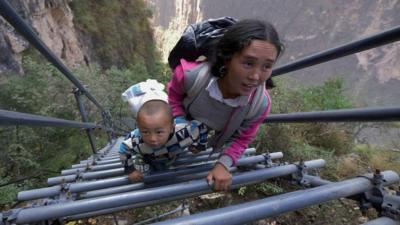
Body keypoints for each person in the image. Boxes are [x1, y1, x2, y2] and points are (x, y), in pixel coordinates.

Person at [168, 19, 284, 191]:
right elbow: (173, 96)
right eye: (248, 63)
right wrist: (179, 121)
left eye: (266, 66)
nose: (255, 77)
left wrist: (223, 164)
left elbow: (242, 138)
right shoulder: (190, 76)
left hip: (204, 139)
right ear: (227, 58)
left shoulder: (259, 104)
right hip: (176, 128)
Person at [119, 80, 208, 182]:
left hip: (174, 151)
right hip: (149, 156)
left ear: (171, 128)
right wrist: (131, 170)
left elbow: (201, 127)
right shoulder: (136, 140)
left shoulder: (183, 132)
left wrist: (200, 145)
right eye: (145, 132)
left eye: (159, 132)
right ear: (138, 128)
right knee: (150, 173)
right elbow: (123, 148)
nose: (152, 139)